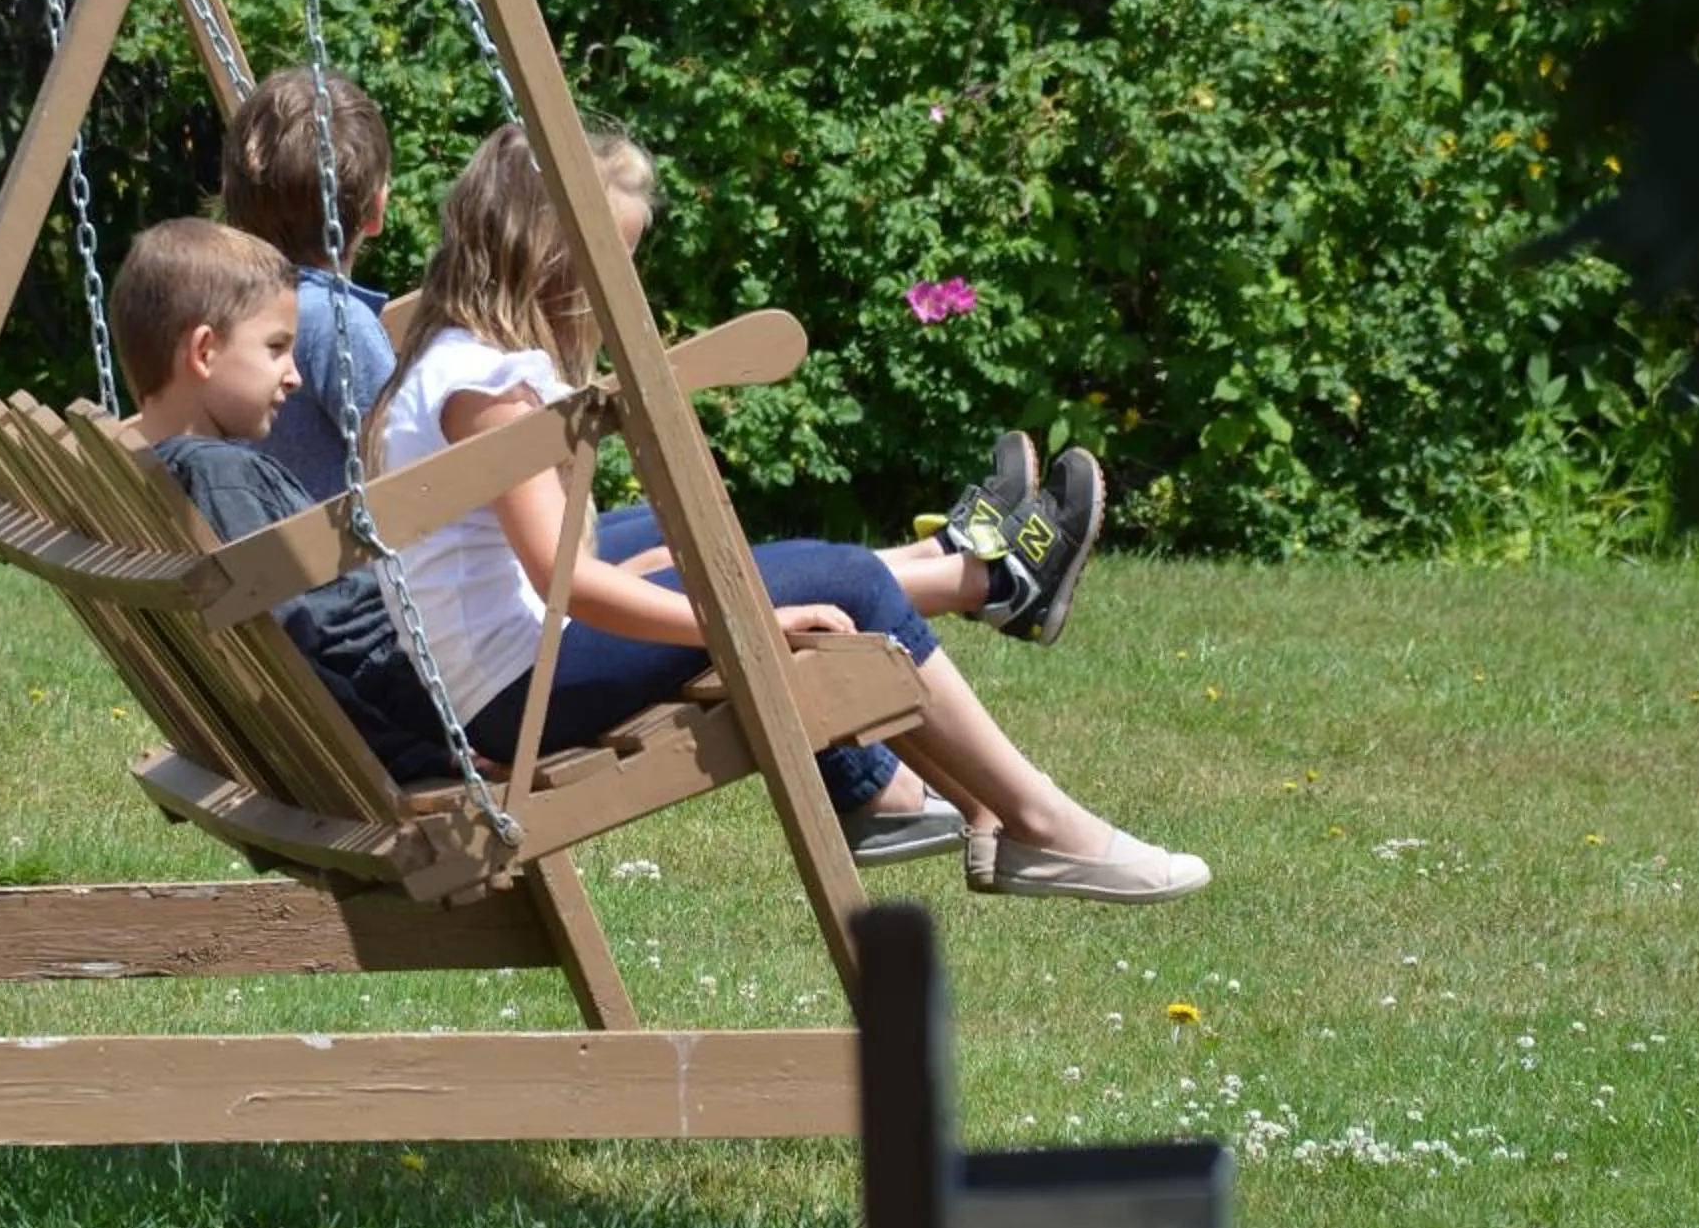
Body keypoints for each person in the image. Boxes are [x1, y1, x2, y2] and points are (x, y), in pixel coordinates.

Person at [363, 124, 1208, 903]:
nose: (614, 297)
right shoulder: (493, 390)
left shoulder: (453, 357)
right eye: (608, 271)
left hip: (496, 674)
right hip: (517, 696)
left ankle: (906, 741)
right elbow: (566, 585)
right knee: (831, 580)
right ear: (546, 260)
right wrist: (745, 621)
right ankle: (1036, 820)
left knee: (697, 540)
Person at [107, 217, 452, 787]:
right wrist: (426, 758)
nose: (293, 376)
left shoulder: (166, 475)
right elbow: (306, 651)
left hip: (402, 678)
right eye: (276, 349)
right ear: (204, 351)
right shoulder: (221, 478)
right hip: (417, 694)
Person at [216, 66, 396, 504]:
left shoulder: (227, 312)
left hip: (281, 559)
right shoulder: (337, 323)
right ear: (375, 212)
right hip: (363, 567)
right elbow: (407, 459)